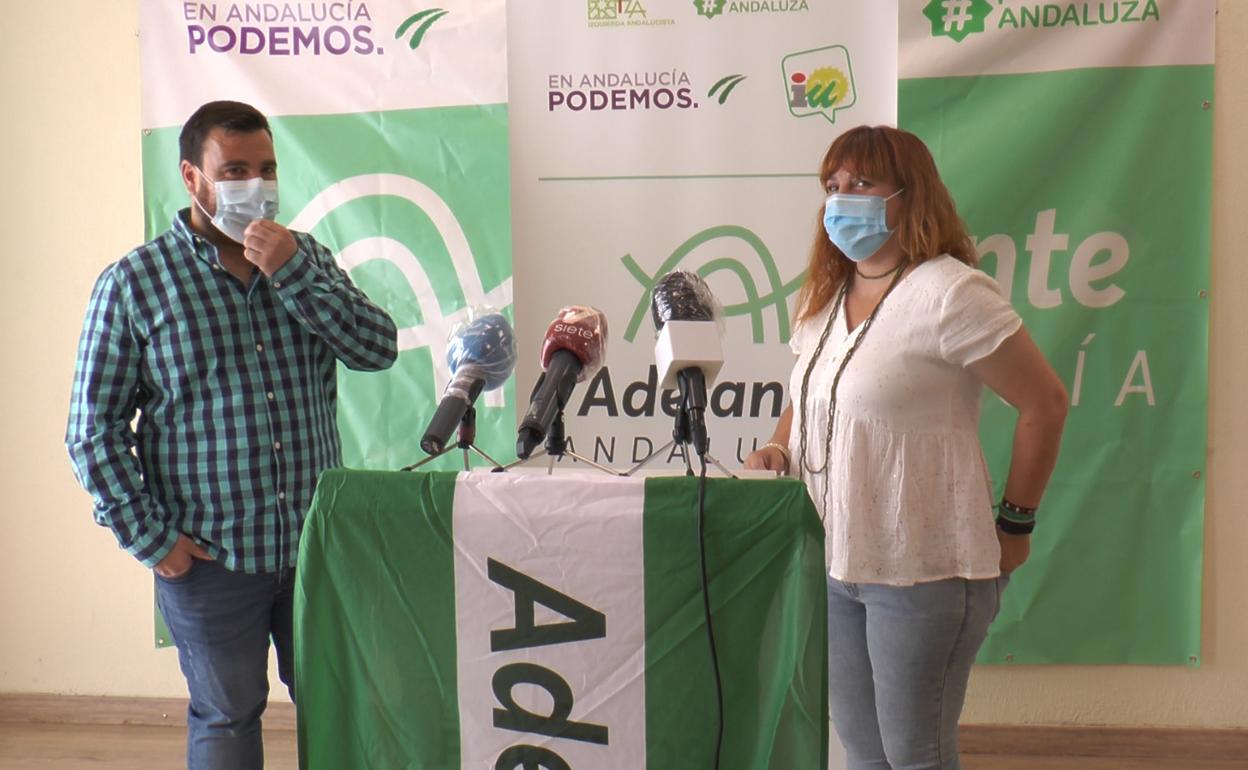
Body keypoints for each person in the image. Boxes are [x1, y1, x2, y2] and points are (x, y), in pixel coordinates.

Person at [66, 100, 399, 769]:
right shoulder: (135, 284)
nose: (257, 184)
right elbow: (92, 430)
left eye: (267, 169)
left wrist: (292, 272)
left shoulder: (306, 258)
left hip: (314, 551)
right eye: (236, 170)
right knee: (227, 716)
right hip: (211, 558)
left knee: (342, 706)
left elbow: (377, 348)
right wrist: (153, 542)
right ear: (192, 177)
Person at [745, 125, 1067, 770]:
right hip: (835, 562)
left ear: (908, 194)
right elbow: (809, 394)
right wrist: (778, 448)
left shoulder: (950, 293)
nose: (841, 199)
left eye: (861, 183)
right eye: (833, 185)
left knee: (915, 756)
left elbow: (1046, 404)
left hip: (925, 569)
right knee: (863, 753)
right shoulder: (825, 297)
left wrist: (1016, 525)